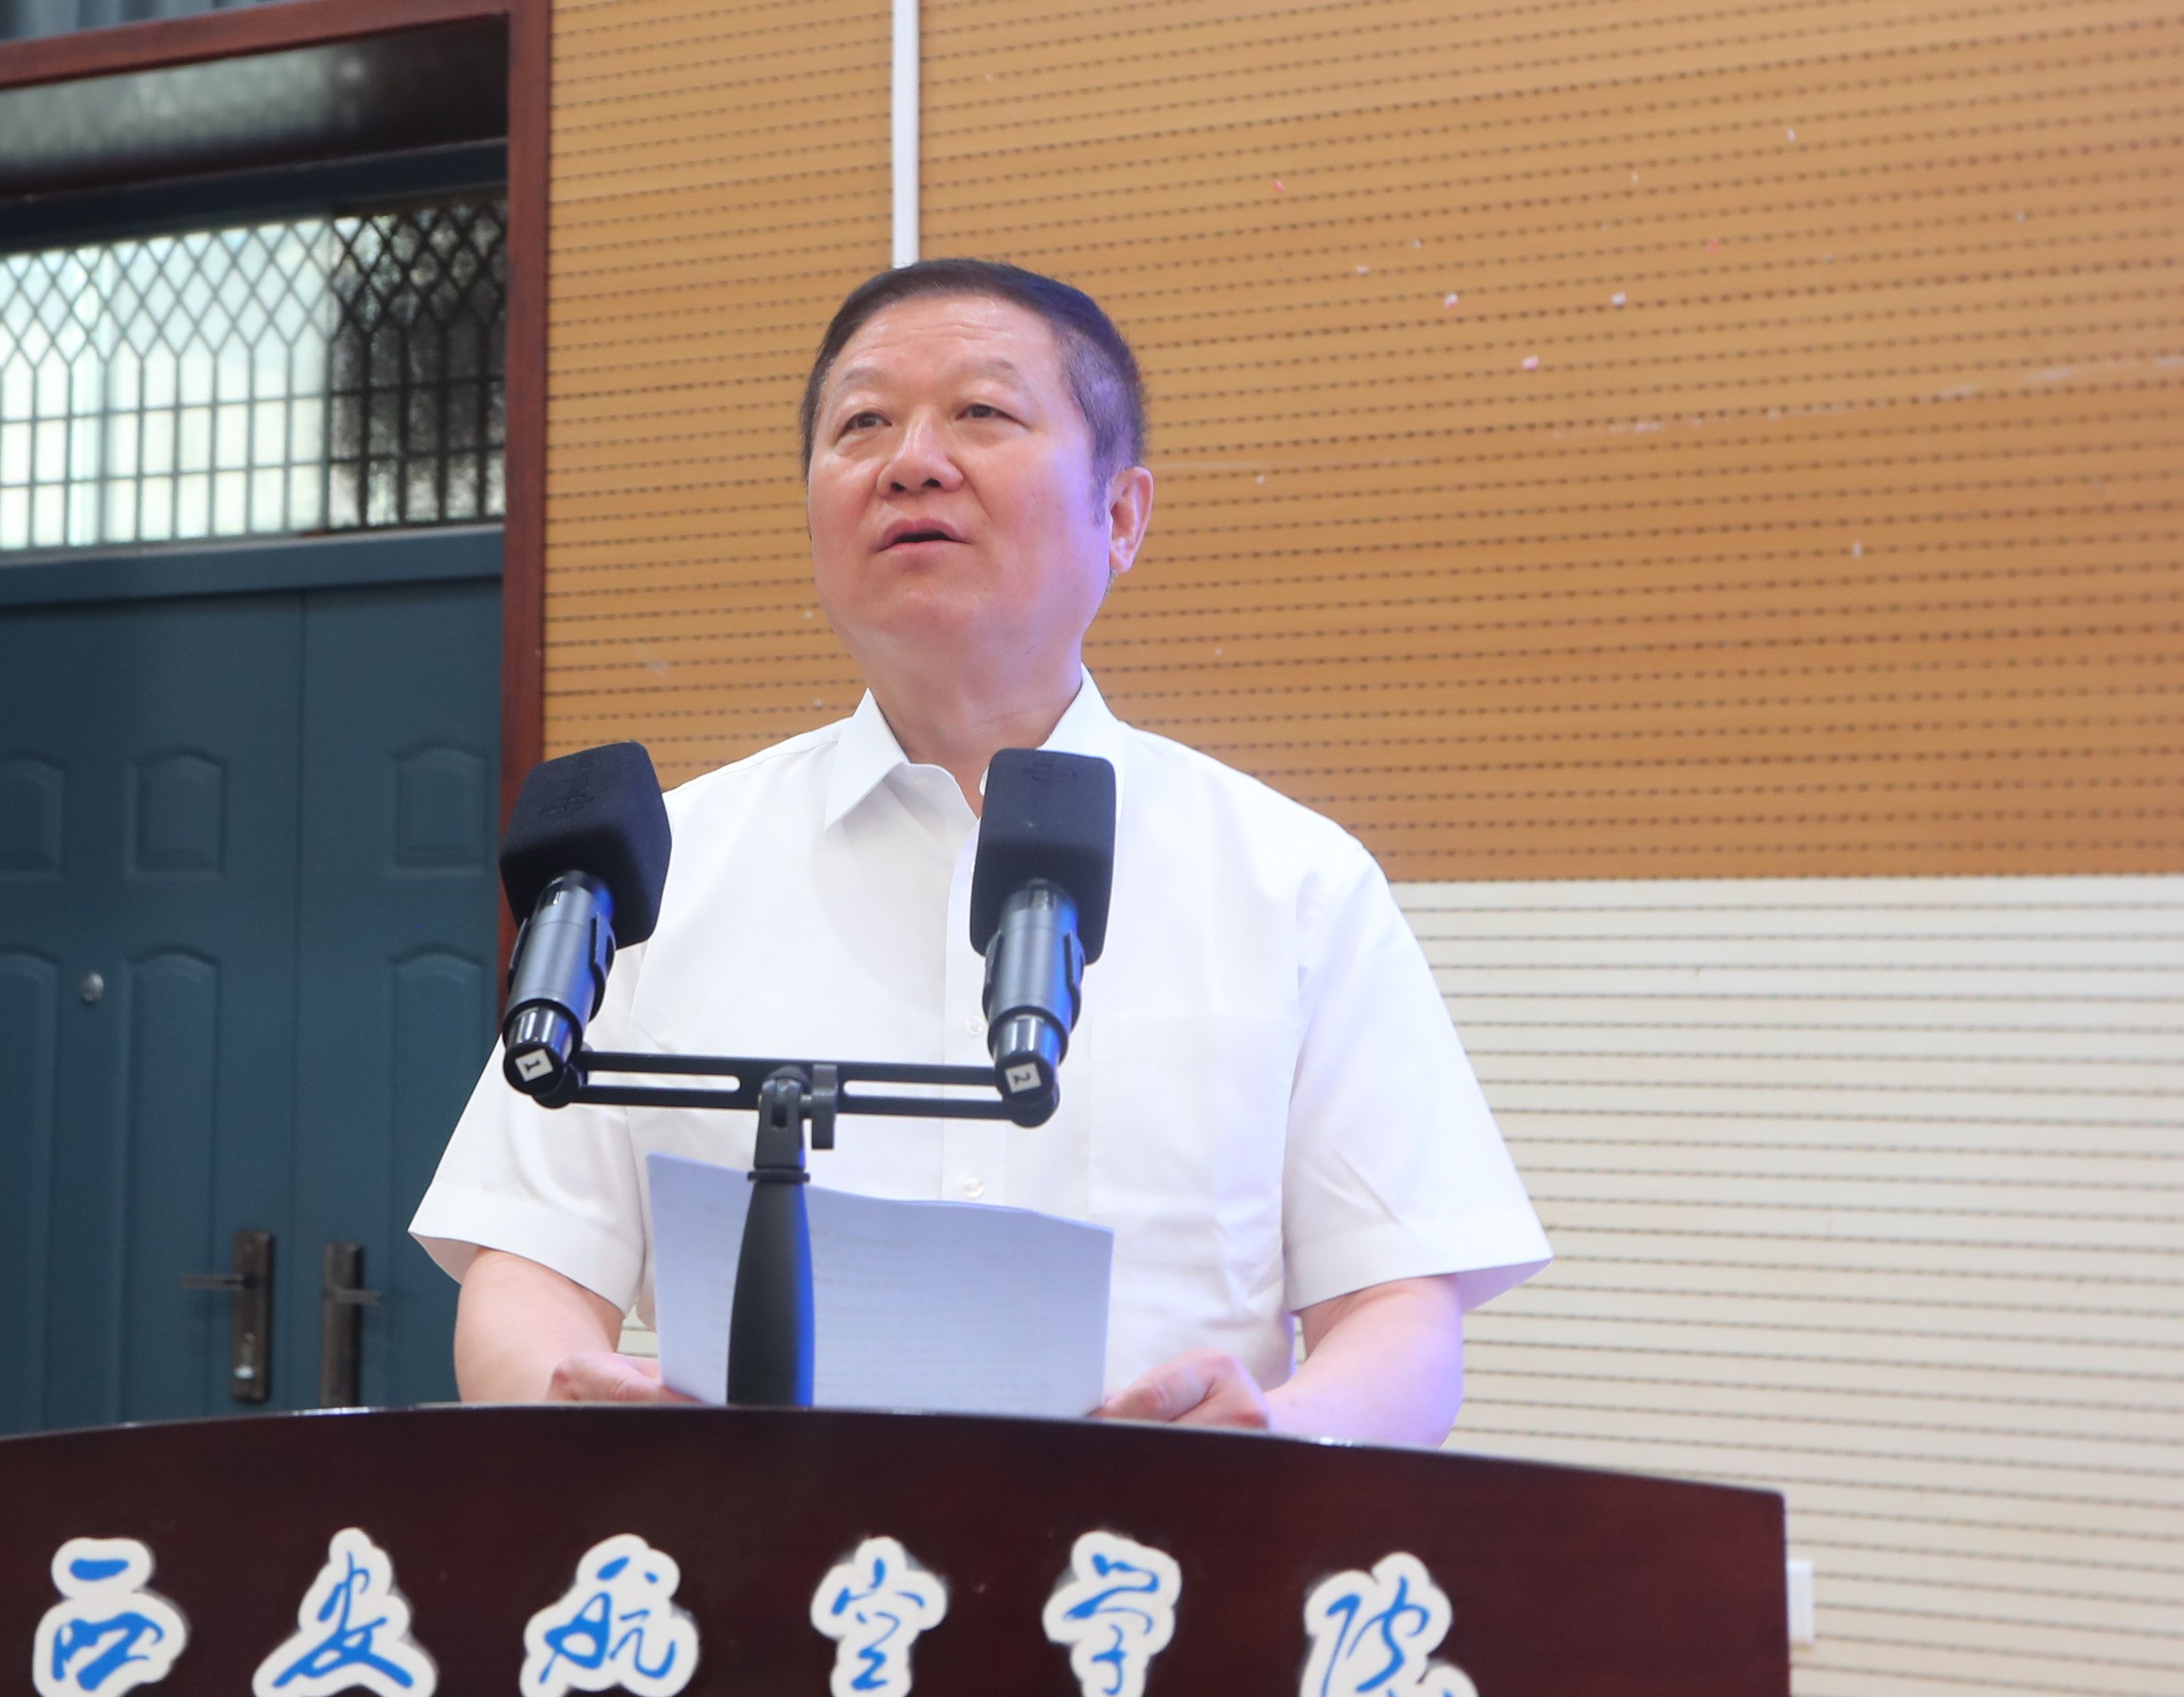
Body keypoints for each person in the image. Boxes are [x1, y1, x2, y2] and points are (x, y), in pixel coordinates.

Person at [411, 260, 1548, 1441]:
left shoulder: (1290, 882)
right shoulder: (652, 867)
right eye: (862, 423)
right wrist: (575, 1408)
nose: (912, 461)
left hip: (1157, 1548)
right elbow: (524, 1268)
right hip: (745, 1543)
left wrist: (1275, 1438)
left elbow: (1399, 1309)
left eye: (982, 412)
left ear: (1120, 517)